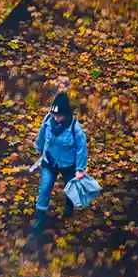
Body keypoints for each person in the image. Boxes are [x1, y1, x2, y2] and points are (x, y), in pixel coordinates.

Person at [31, 91, 88, 234]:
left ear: (66, 114)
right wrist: (39, 148)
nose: (56, 118)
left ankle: (69, 205)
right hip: (49, 161)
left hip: (68, 164)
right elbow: (41, 135)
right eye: (54, 115)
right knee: (45, 187)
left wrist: (80, 169)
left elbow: (81, 149)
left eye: (59, 115)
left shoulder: (75, 128)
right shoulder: (48, 121)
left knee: (69, 187)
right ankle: (40, 217)